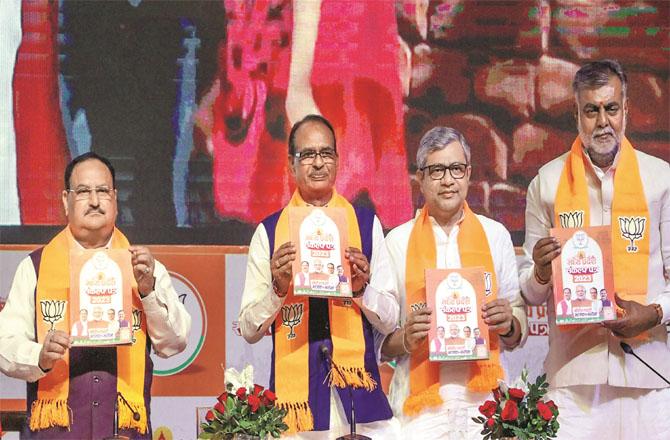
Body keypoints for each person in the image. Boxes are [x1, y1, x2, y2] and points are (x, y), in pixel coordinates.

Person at [519, 59, 670, 439]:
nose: (603, 121)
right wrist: (538, 271)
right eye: (591, 110)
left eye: (611, 108)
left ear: (626, 111)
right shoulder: (548, 184)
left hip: (649, 376)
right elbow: (528, 293)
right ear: (577, 116)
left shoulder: (661, 180)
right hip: (574, 381)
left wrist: (652, 314)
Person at [0, 152, 191, 439]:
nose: (93, 200)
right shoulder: (36, 268)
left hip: (124, 430)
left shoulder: (142, 267)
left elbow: (174, 343)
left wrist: (148, 293)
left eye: (102, 191)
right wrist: (39, 355)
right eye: (83, 191)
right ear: (65, 200)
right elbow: (5, 345)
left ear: (115, 198)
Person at [238, 115, 400, 439]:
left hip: (358, 401)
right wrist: (277, 290)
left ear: (338, 161)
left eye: (326, 153)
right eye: (307, 154)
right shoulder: (269, 233)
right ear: (290, 164)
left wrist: (361, 290)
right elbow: (248, 328)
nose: (317, 163)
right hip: (296, 407)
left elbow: (391, 319)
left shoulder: (366, 225)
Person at [381, 127, 527, 439]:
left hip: (483, 404)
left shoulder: (495, 235)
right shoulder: (397, 241)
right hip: (419, 408)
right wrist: (405, 337)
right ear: (420, 178)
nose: (448, 180)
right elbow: (380, 341)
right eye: (436, 170)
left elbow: (516, 329)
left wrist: (509, 323)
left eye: (456, 169)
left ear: (468, 174)